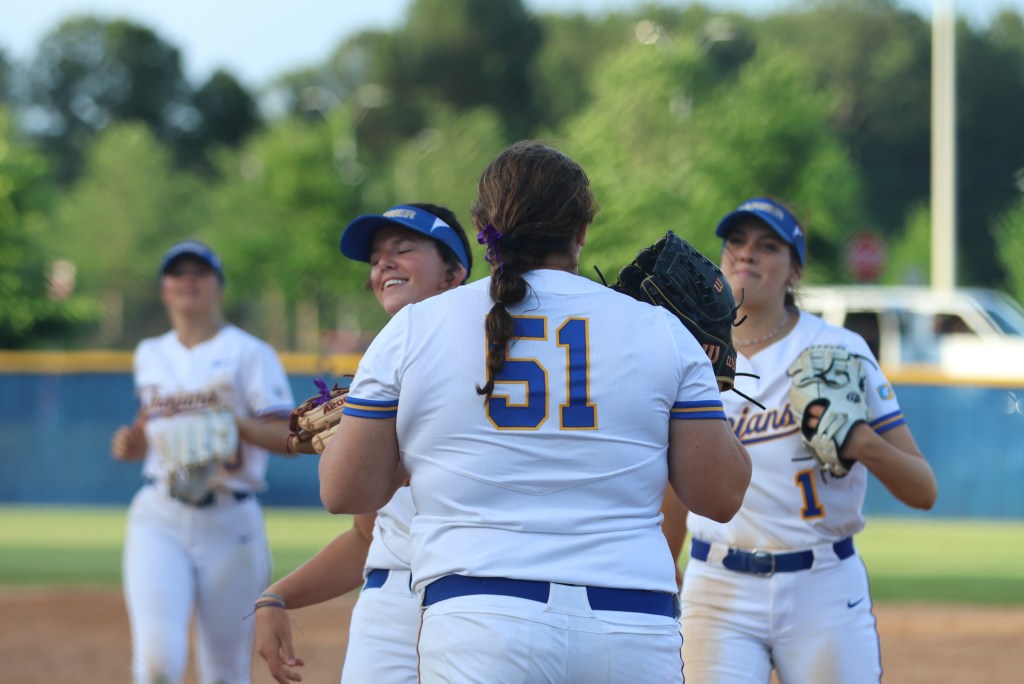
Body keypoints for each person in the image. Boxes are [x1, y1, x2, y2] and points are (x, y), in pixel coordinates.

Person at [318, 140, 752, 683]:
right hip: (629, 624)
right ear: (582, 230)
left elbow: (344, 492)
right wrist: (703, 379)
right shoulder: (660, 330)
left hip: (480, 618)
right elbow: (720, 497)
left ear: (483, 225)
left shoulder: (413, 328)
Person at [677, 197, 939, 683]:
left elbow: (923, 489)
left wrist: (862, 442)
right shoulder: (690, 352)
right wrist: (664, 571)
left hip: (824, 586)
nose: (746, 253)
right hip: (716, 587)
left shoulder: (839, 349)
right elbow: (680, 483)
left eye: (768, 245)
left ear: (795, 270)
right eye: (736, 240)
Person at [254, 203, 473, 684]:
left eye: (403, 249)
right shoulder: (375, 377)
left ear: (454, 272)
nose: (383, 264)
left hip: (478, 602)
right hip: (387, 610)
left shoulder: (496, 370)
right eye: (376, 259)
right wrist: (277, 596)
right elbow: (366, 537)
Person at [110, 239, 296, 684]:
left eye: (200, 272)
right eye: (177, 272)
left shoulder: (250, 353)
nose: (188, 280)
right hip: (160, 515)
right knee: (157, 666)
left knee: (225, 673)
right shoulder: (149, 353)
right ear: (164, 288)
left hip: (231, 521)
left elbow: (290, 436)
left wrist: (235, 424)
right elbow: (148, 427)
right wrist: (131, 443)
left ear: (219, 287)